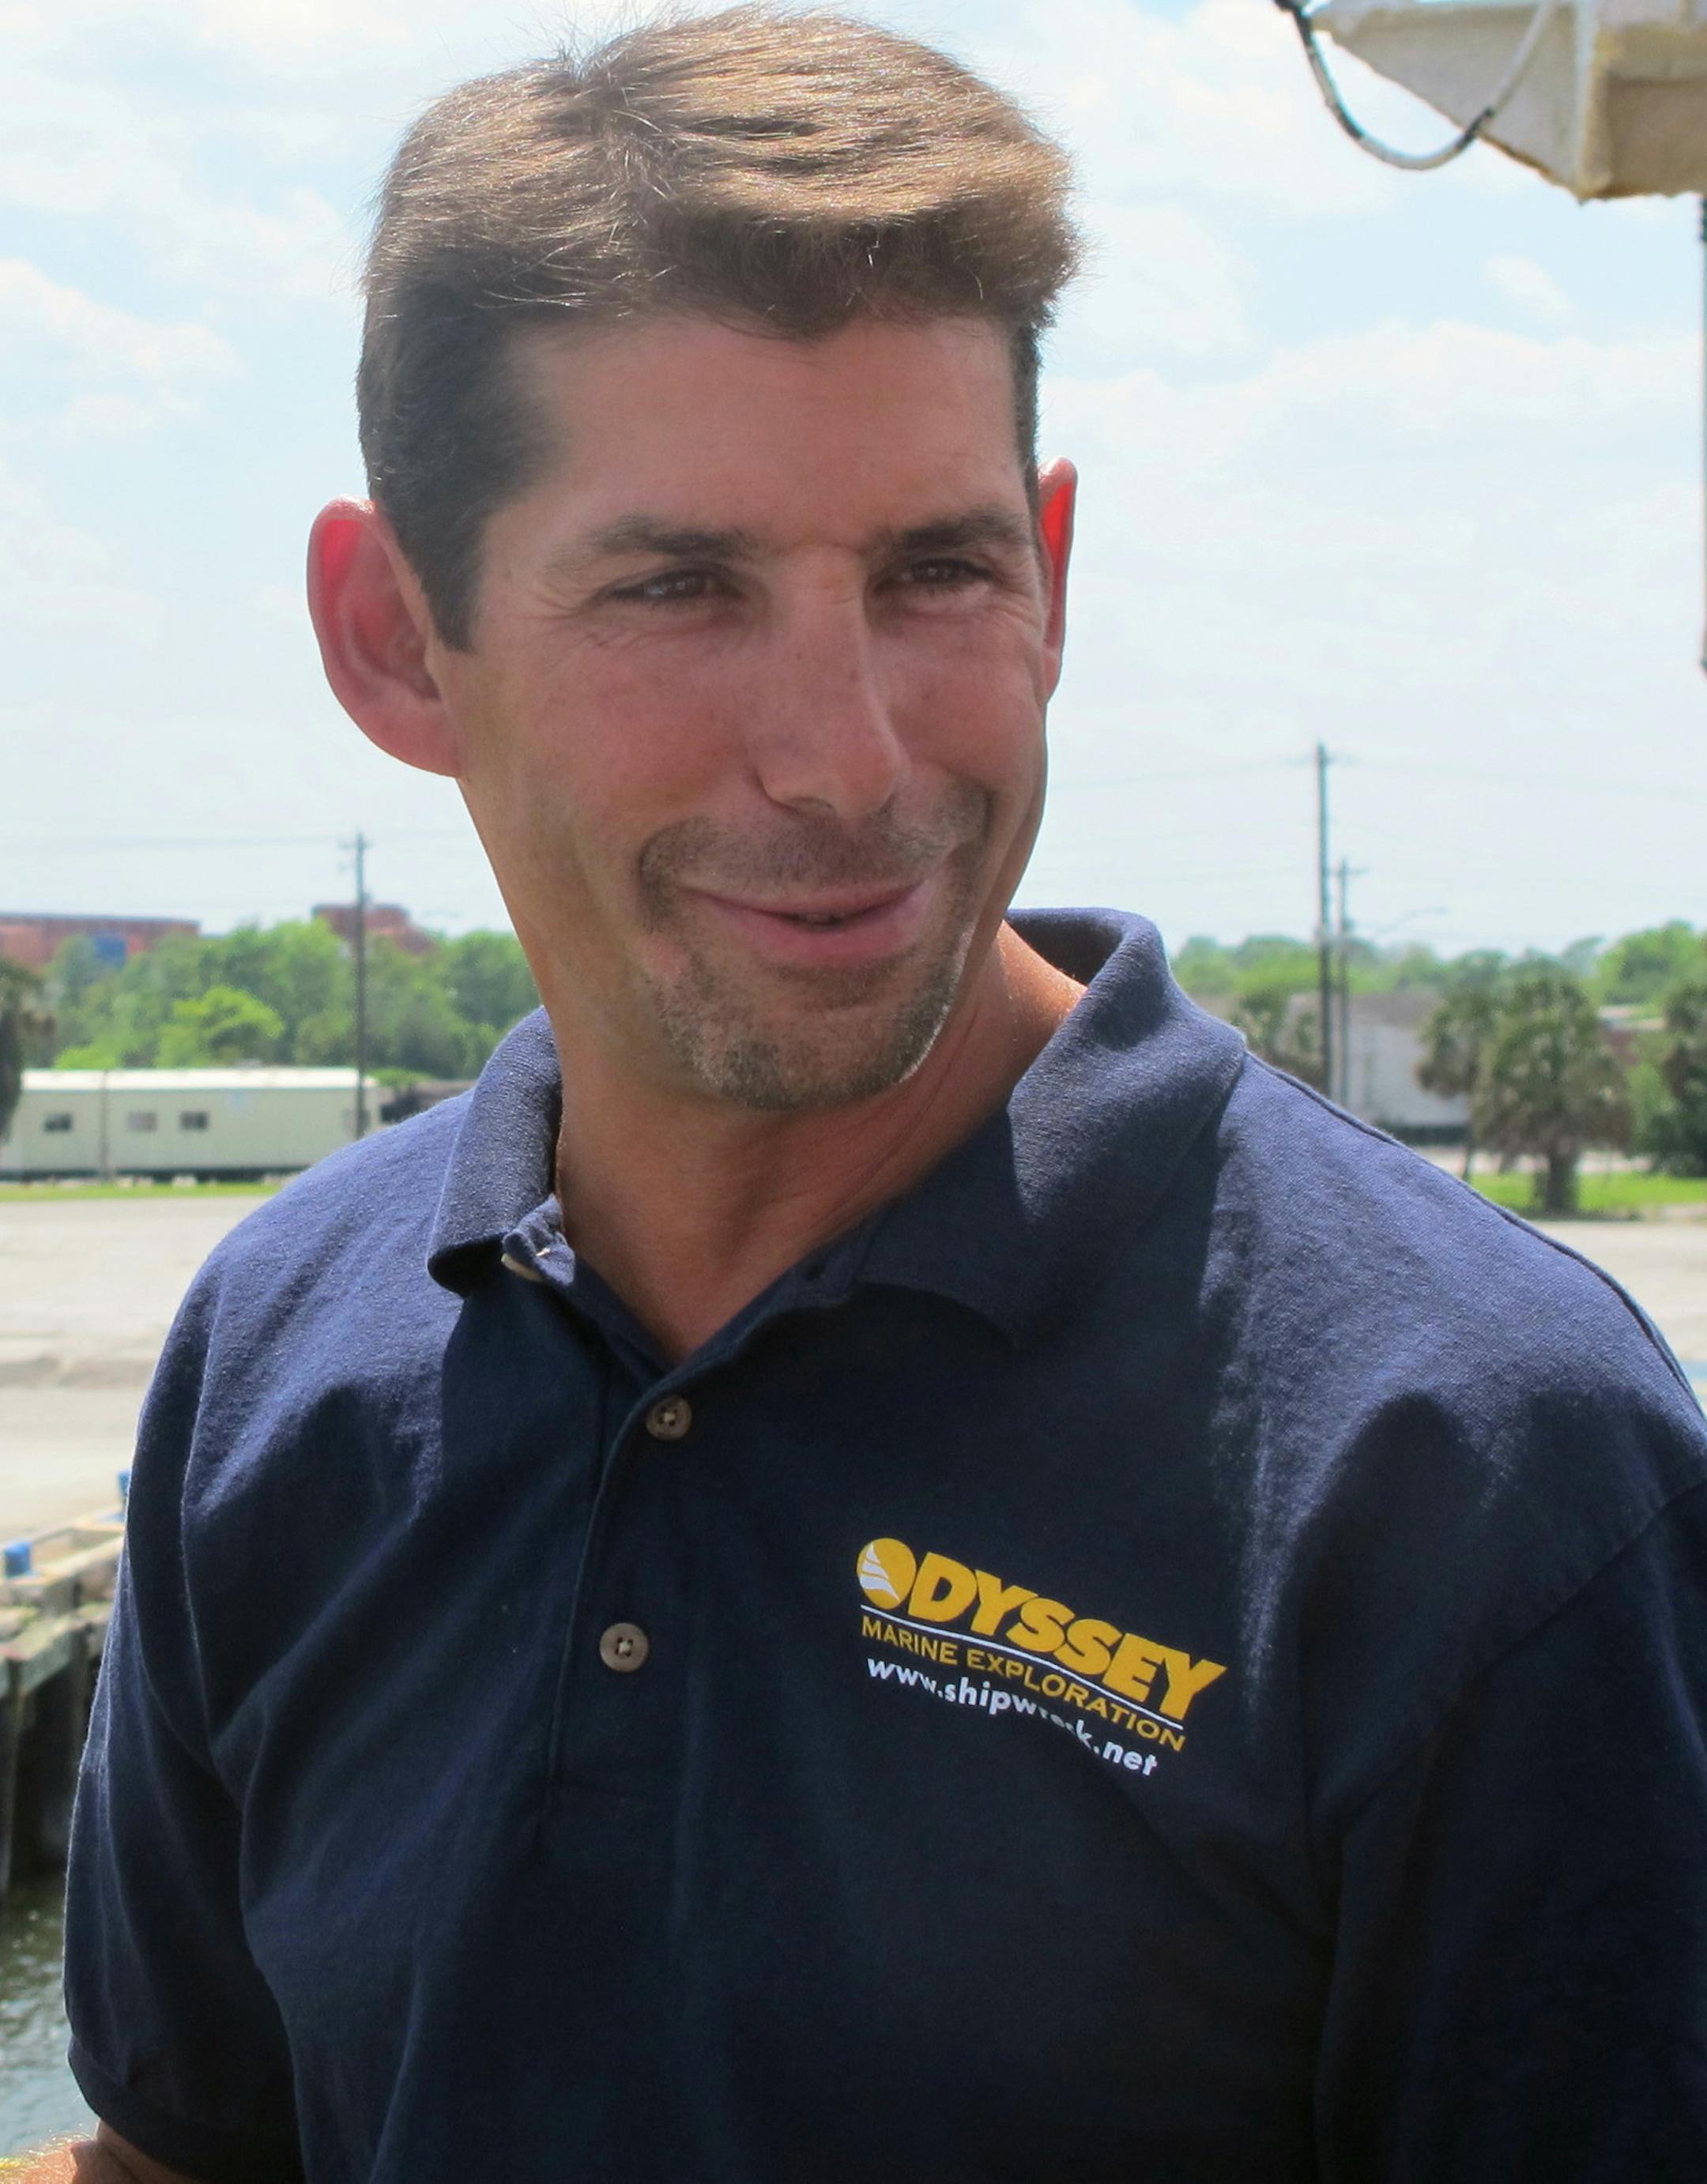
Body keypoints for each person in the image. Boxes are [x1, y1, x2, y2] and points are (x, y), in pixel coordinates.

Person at [40, 6, 1707, 2181]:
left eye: (937, 570)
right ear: (391, 637)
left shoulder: (1479, 1467)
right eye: (679, 588)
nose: (846, 758)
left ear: (1057, 570)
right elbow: (189, 2148)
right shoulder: (281, 1355)